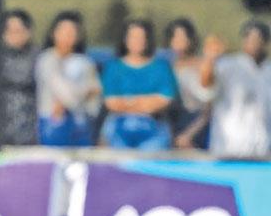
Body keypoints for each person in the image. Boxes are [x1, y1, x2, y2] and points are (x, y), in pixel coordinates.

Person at [101, 19, 178, 150]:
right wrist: (146, 103)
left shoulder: (161, 68)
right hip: (118, 130)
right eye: (133, 37)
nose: (137, 41)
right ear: (125, 39)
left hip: (154, 130)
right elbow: (111, 102)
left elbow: (163, 100)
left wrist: (128, 102)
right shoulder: (113, 68)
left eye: (141, 37)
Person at [201, 20, 271, 158]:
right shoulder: (229, 65)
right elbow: (206, 85)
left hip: (262, 149)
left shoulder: (268, 70)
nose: (253, 43)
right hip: (228, 146)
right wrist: (209, 59)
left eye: (258, 39)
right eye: (249, 38)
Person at [35, 11, 101, 147]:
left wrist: (84, 94)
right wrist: (85, 92)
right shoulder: (46, 59)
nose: (67, 35)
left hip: (81, 124)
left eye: (72, 31)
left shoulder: (85, 61)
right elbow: (64, 93)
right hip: (52, 122)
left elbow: (96, 92)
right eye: (63, 31)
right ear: (53, 33)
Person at [165, 18, 213, 150]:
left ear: (191, 39)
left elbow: (209, 107)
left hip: (200, 128)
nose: (178, 42)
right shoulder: (166, 68)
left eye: (182, 37)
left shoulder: (203, 67)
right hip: (174, 128)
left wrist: (189, 135)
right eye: (175, 37)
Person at [0, 9, 39, 146]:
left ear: (28, 32)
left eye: (18, 31)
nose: (13, 36)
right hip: (0, 127)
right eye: (9, 31)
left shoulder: (38, 56)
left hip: (30, 126)